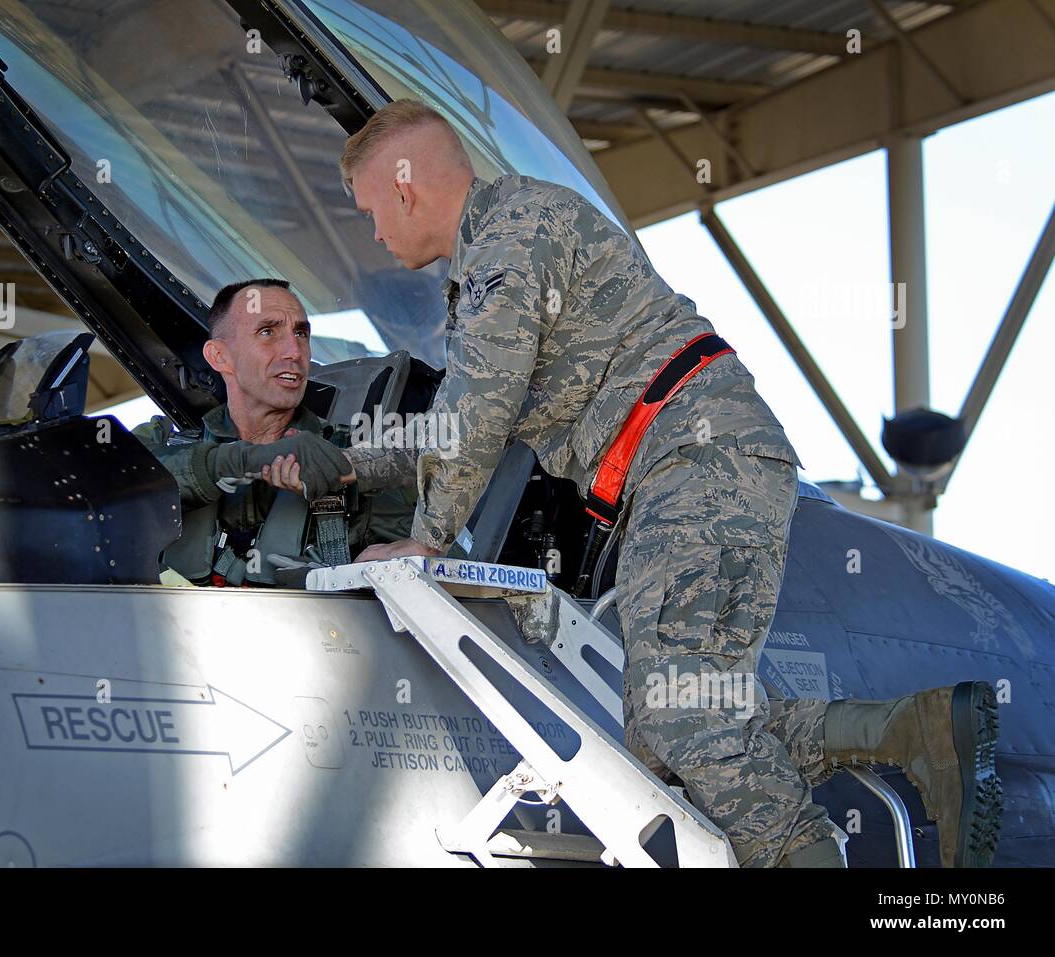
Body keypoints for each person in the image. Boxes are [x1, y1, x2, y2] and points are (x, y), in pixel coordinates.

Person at [271, 99, 1000, 867]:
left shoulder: (509, 240)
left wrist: (426, 539)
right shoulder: (502, 242)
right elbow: (466, 416)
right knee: (668, 722)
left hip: (693, 459)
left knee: (679, 715)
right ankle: (908, 733)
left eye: (370, 212)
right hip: (702, 460)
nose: (374, 234)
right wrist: (345, 463)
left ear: (405, 188)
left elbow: (476, 416)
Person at [131, 278, 412, 586]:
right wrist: (248, 459)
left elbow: (424, 554)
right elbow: (113, 488)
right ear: (219, 356)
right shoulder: (160, 442)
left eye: (301, 334)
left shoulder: (359, 457)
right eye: (267, 332)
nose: (294, 351)